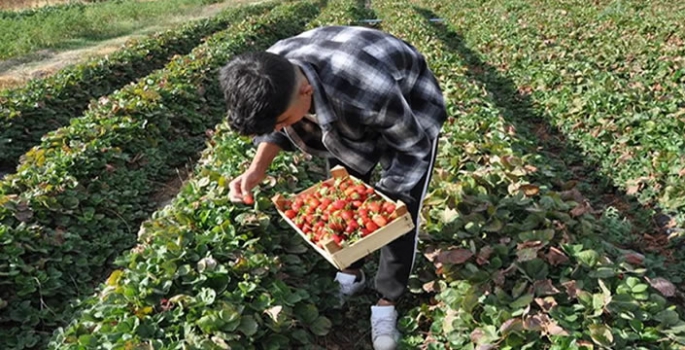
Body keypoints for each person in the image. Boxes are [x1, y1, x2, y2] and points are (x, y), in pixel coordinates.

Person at [218, 25, 446, 350]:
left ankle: (387, 301)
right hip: (346, 98)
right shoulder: (271, 73)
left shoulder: (365, 91)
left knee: (398, 212)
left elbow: (413, 149)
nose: (282, 129)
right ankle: (351, 270)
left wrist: (382, 202)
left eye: (283, 120)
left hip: (409, 106)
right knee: (343, 190)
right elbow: (276, 124)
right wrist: (256, 170)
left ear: (306, 90)